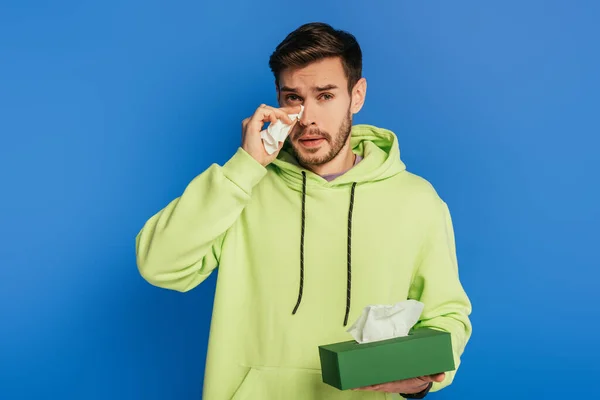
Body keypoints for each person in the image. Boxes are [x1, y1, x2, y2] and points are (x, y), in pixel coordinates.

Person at [135, 22, 472, 400]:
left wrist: (422, 380)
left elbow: (447, 318)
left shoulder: (416, 200)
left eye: (325, 96)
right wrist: (244, 167)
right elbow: (158, 264)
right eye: (293, 98)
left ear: (356, 96)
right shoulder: (242, 188)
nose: (307, 117)